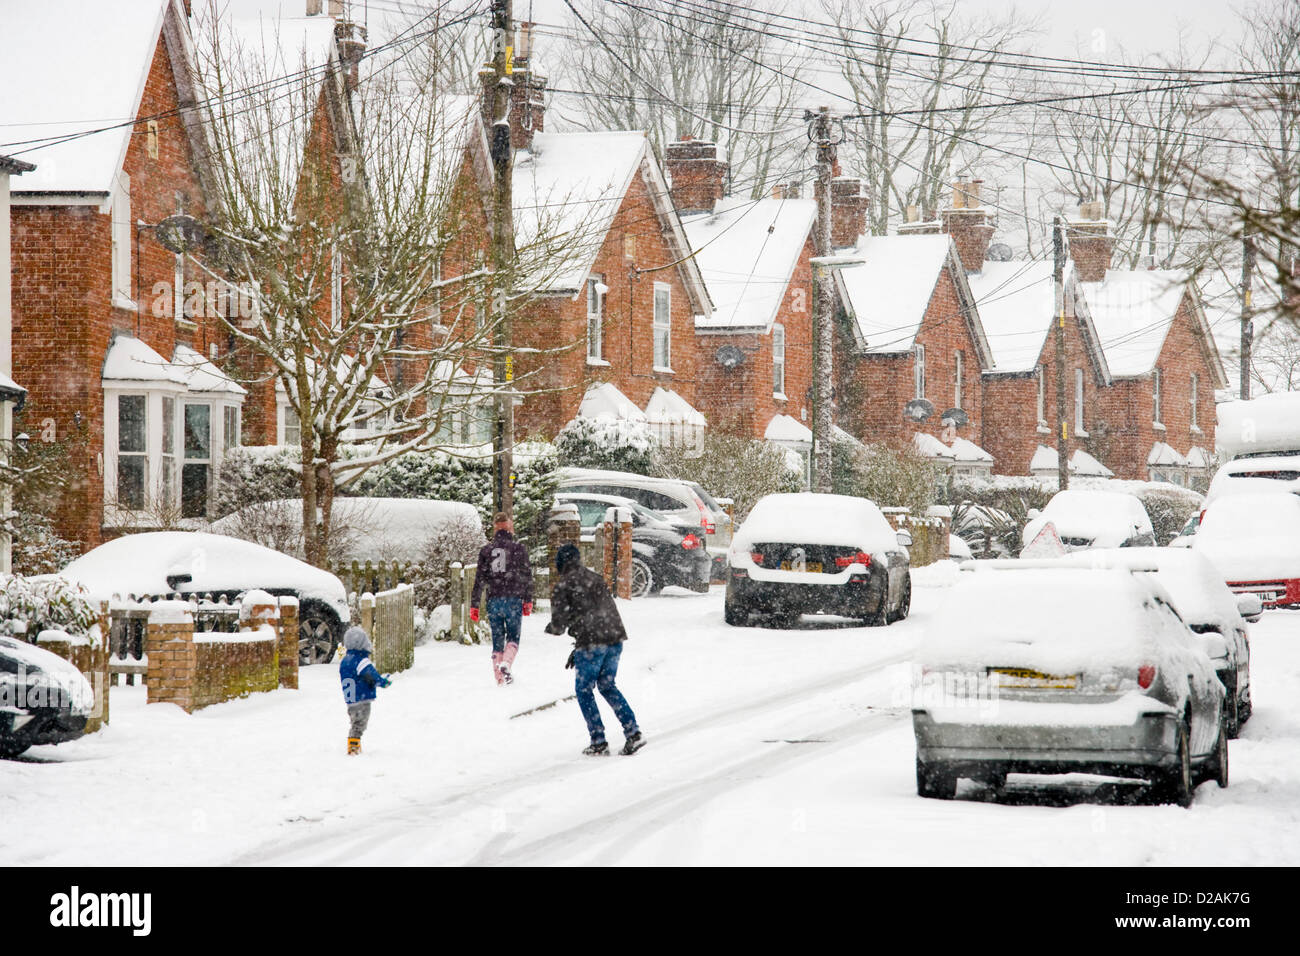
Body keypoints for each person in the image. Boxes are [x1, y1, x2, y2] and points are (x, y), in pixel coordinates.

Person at [545, 543, 645, 756]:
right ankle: (633, 733)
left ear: (560, 564)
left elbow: (558, 626)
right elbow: (600, 612)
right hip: (615, 639)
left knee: (584, 690)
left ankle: (598, 741)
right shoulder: (595, 578)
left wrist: (550, 628)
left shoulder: (563, 586)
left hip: (591, 644)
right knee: (608, 685)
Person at [471, 511, 534, 685]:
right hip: (513, 599)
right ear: (509, 527)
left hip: (493, 600)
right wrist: (528, 599)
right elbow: (527, 575)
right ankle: (506, 663)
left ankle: (499, 678)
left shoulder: (486, 551)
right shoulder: (518, 549)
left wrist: (474, 604)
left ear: (495, 528)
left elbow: (479, 579)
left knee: (497, 640)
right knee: (513, 637)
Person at [338, 625, 391, 755]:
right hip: (361, 699)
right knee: (360, 724)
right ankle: (353, 748)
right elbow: (371, 676)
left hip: (350, 700)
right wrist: (383, 682)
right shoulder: (361, 661)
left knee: (355, 722)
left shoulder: (345, 661)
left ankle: (354, 745)